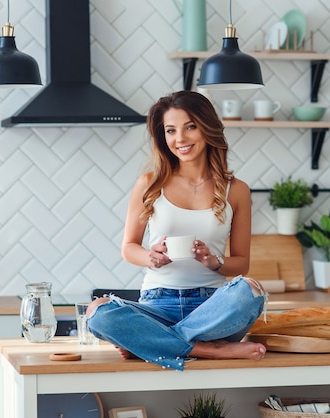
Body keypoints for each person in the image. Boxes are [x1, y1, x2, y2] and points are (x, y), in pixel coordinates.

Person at [86, 90, 267, 370]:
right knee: (98, 312)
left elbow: (242, 263)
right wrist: (150, 257)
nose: (180, 139)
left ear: (207, 128)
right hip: (157, 305)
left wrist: (213, 261)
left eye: (190, 127)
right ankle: (210, 350)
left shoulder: (237, 190)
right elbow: (129, 247)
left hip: (212, 310)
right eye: (171, 130)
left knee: (250, 290)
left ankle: (150, 343)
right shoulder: (149, 183)